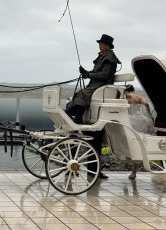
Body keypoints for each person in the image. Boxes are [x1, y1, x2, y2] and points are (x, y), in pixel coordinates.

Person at [66, 34, 121, 179]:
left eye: (102, 44)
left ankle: (76, 114)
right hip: (96, 85)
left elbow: (103, 75)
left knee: (84, 93)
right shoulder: (103, 56)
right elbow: (97, 73)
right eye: (100, 44)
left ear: (107, 45)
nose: (100, 46)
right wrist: (86, 72)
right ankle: (74, 112)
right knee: (80, 92)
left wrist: (88, 74)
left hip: (102, 86)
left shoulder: (110, 58)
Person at [123, 85, 156, 179]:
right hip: (142, 122)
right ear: (133, 90)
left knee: (129, 142)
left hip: (131, 122)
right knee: (139, 144)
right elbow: (146, 104)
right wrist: (149, 116)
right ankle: (134, 172)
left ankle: (127, 159)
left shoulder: (126, 98)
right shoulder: (139, 98)